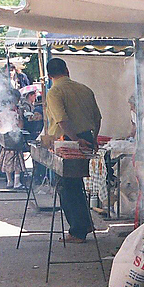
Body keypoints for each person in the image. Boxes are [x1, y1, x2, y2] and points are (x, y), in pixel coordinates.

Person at [44, 57, 102, 243]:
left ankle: (77, 231)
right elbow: (98, 118)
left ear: (49, 75)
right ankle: (85, 223)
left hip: (67, 140)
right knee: (76, 184)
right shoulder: (84, 89)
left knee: (67, 186)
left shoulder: (54, 91)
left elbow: (62, 120)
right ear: (67, 70)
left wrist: (76, 141)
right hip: (85, 136)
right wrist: (91, 139)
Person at [0, 107, 26, 189]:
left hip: (4, 144)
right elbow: (21, 126)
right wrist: (20, 116)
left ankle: (9, 181)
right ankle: (17, 182)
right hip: (13, 143)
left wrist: (0, 127)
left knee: (7, 164)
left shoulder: (1, 114)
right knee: (17, 164)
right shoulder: (14, 114)